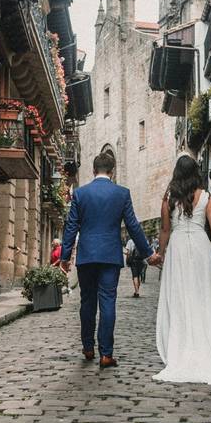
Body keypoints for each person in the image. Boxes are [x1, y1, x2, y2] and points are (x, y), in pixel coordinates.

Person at [60, 152, 161, 369]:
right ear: (112, 172)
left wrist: (65, 256)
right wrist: (148, 253)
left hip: (87, 256)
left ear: (93, 170)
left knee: (87, 302)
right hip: (110, 257)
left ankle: (88, 347)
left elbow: (71, 226)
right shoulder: (121, 193)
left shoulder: (81, 194)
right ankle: (106, 353)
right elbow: (133, 226)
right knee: (107, 302)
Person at [153, 155, 211, 385]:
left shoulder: (169, 198)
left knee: (180, 297)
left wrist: (161, 253)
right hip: (201, 246)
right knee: (203, 298)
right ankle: (204, 344)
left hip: (178, 247)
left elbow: (165, 229)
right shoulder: (207, 197)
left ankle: (180, 347)